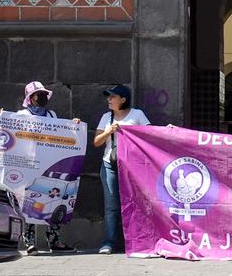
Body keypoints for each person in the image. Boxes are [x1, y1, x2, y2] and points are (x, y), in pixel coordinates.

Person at [16, 81, 81, 253]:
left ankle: (54, 241)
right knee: (30, 203)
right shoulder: (21, 115)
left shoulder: (51, 115)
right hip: (29, 164)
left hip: (49, 165)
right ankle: (29, 241)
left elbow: (60, 133)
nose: (43, 97)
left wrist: (74, 125)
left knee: (53, 201)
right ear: (31, 98)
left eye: (45, 94)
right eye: (39, 95)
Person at [94, 84, 150, 255]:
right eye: (108, 97)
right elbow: (96, 142)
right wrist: (108, 131)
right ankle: (109, 242)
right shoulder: (106, 117)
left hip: (132, 166)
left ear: (123, 100)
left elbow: (150, 135)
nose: (109, 100)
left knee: (135, 203)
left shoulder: (137, 114)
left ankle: (135, 242)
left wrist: (168, 130)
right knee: (111, 206)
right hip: (109, 164)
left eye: (112, 97)